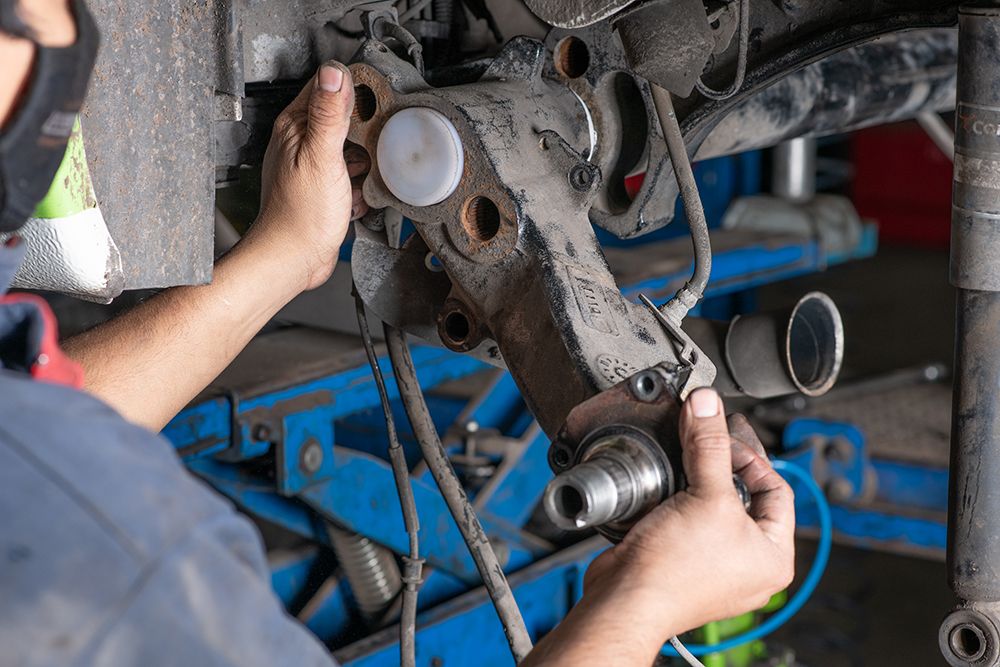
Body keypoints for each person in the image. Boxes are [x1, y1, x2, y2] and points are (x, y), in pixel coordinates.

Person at [0, 0, 795, 665]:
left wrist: (281, 259)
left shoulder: (51, 476)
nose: (73, 29)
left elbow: (47, 418)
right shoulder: (113, 560)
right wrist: (644, 599)